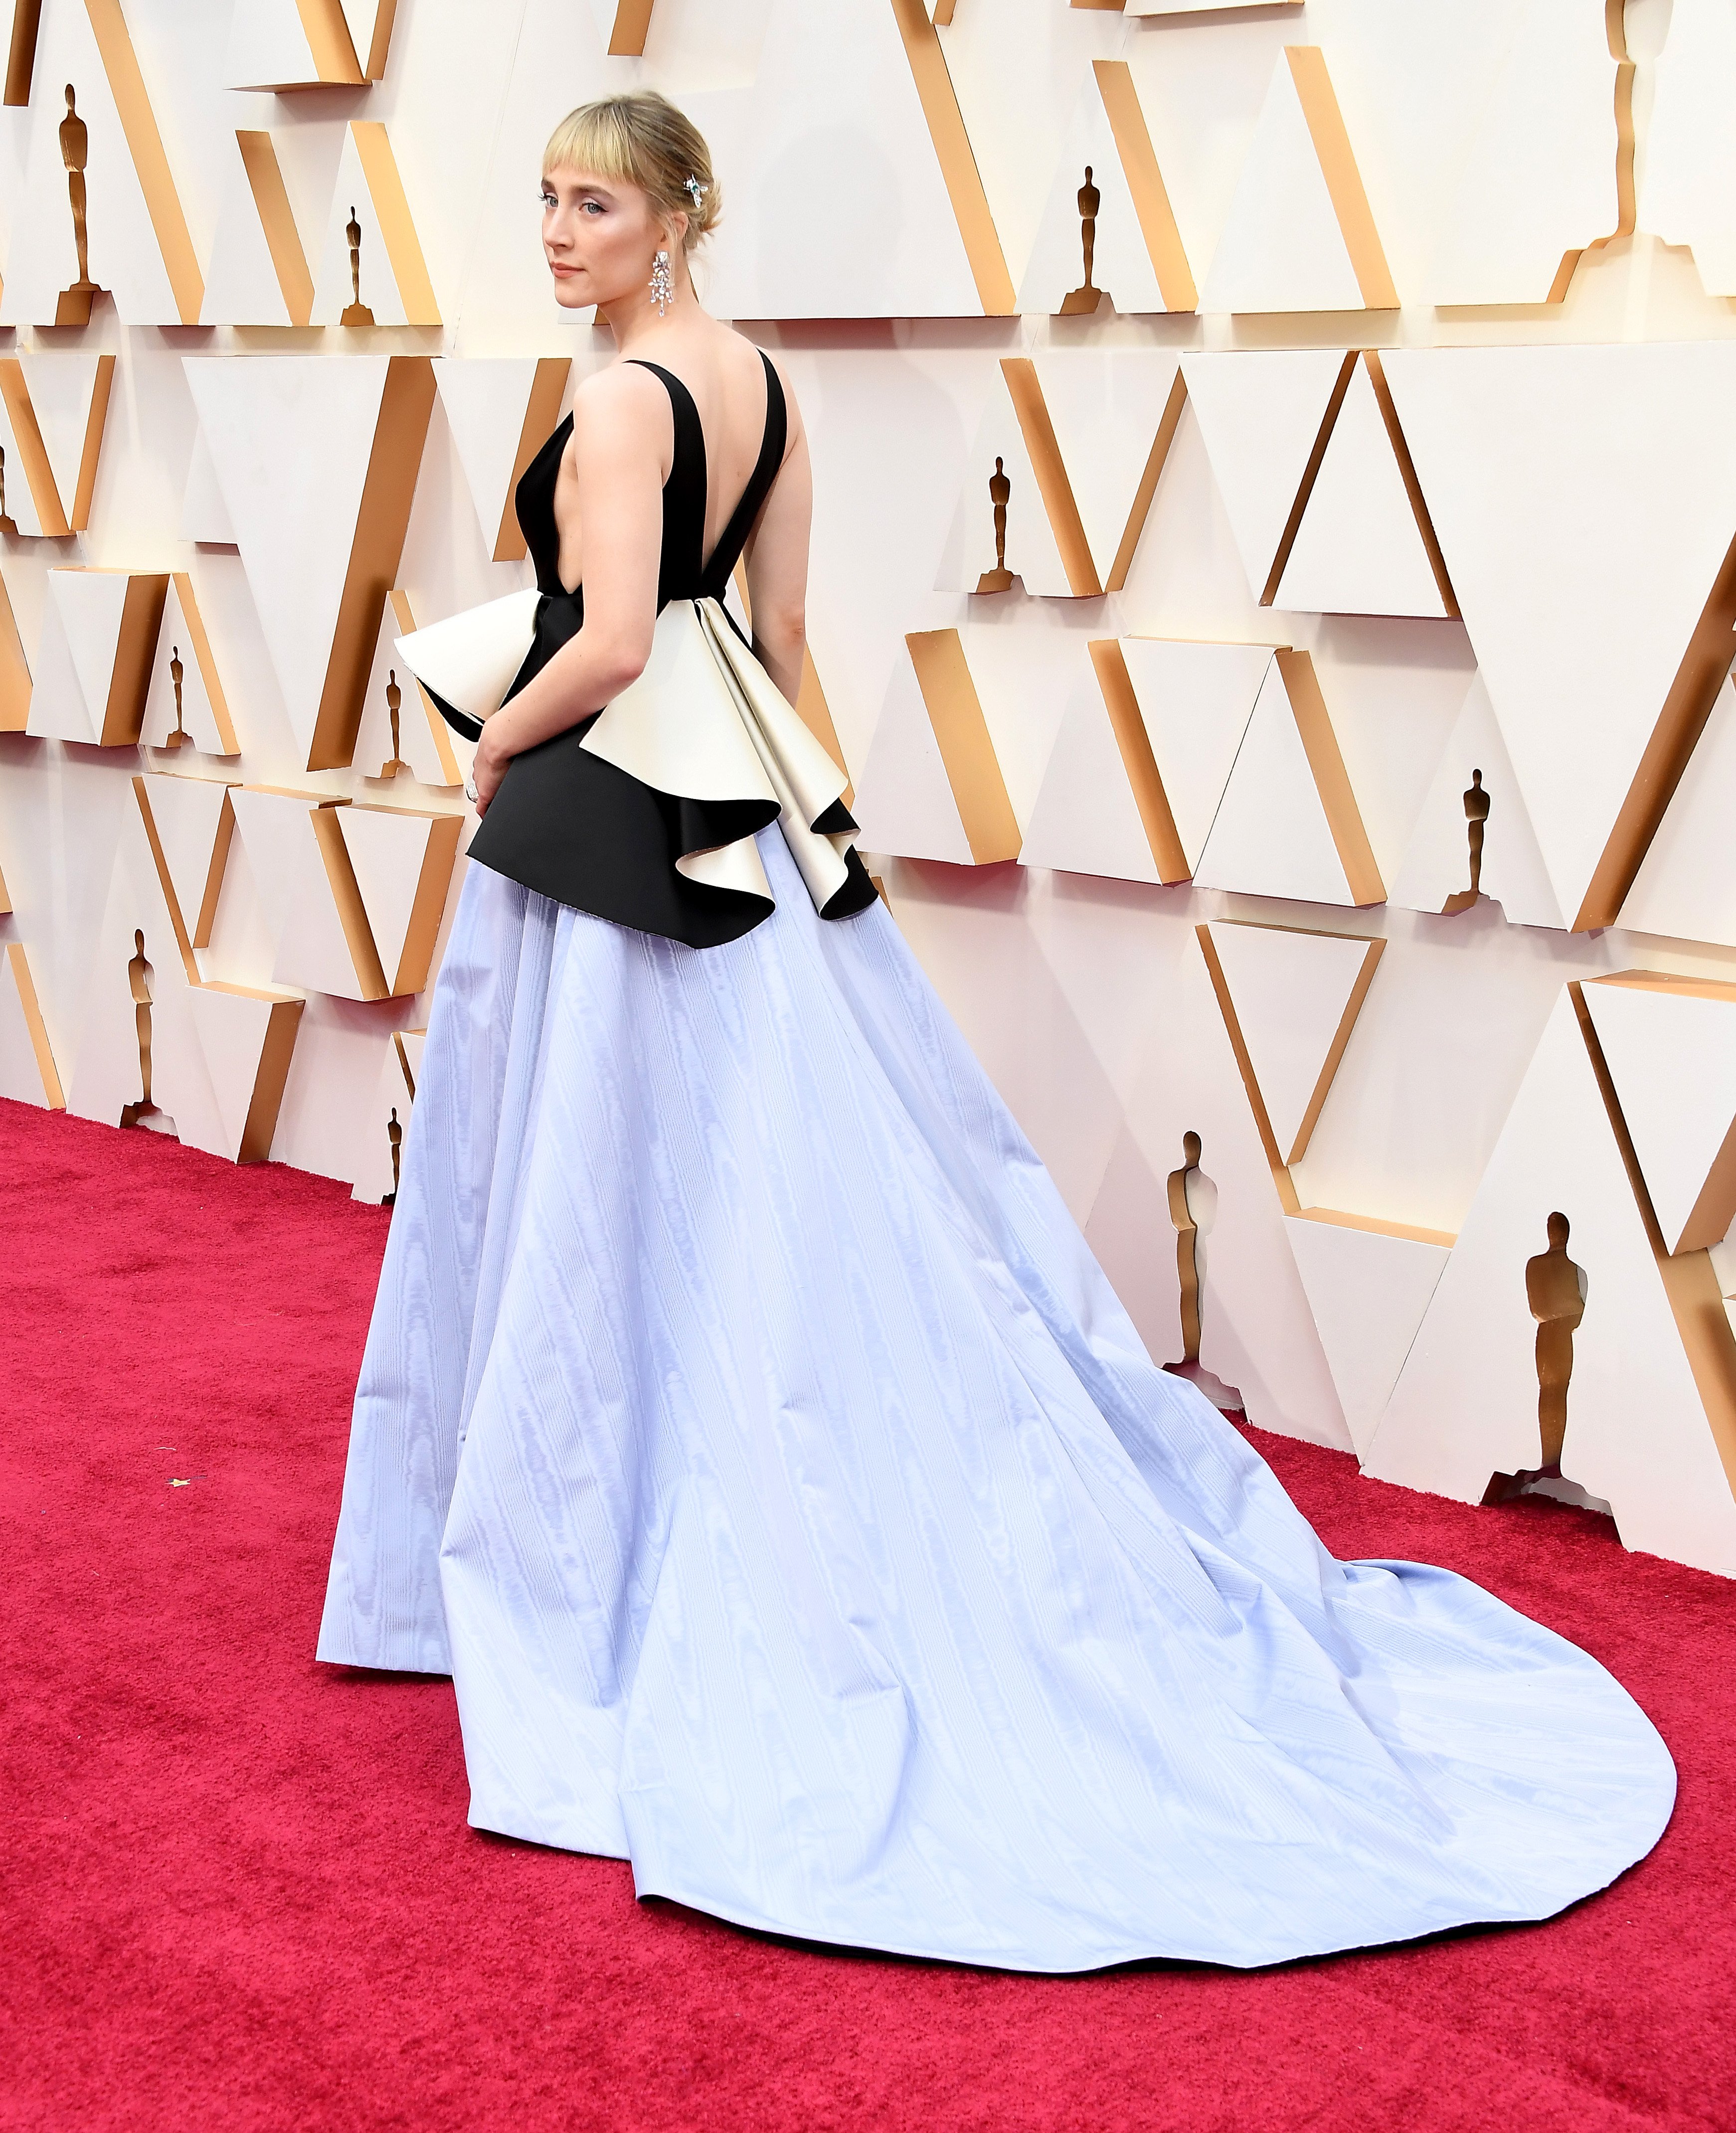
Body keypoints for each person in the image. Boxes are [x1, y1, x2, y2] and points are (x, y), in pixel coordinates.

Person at [317, 91, 1673, 1973]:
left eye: (593, 206)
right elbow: (784, 644)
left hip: (619, 840)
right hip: (750, 838)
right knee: (791, 1199)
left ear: (672, 218)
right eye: (544, 200)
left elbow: (620, 640)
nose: (556, 235)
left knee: (600, 1200)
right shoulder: (768, 390)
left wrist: (490, 738)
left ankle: (610, 1550)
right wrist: (820, 833)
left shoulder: (623, 401)